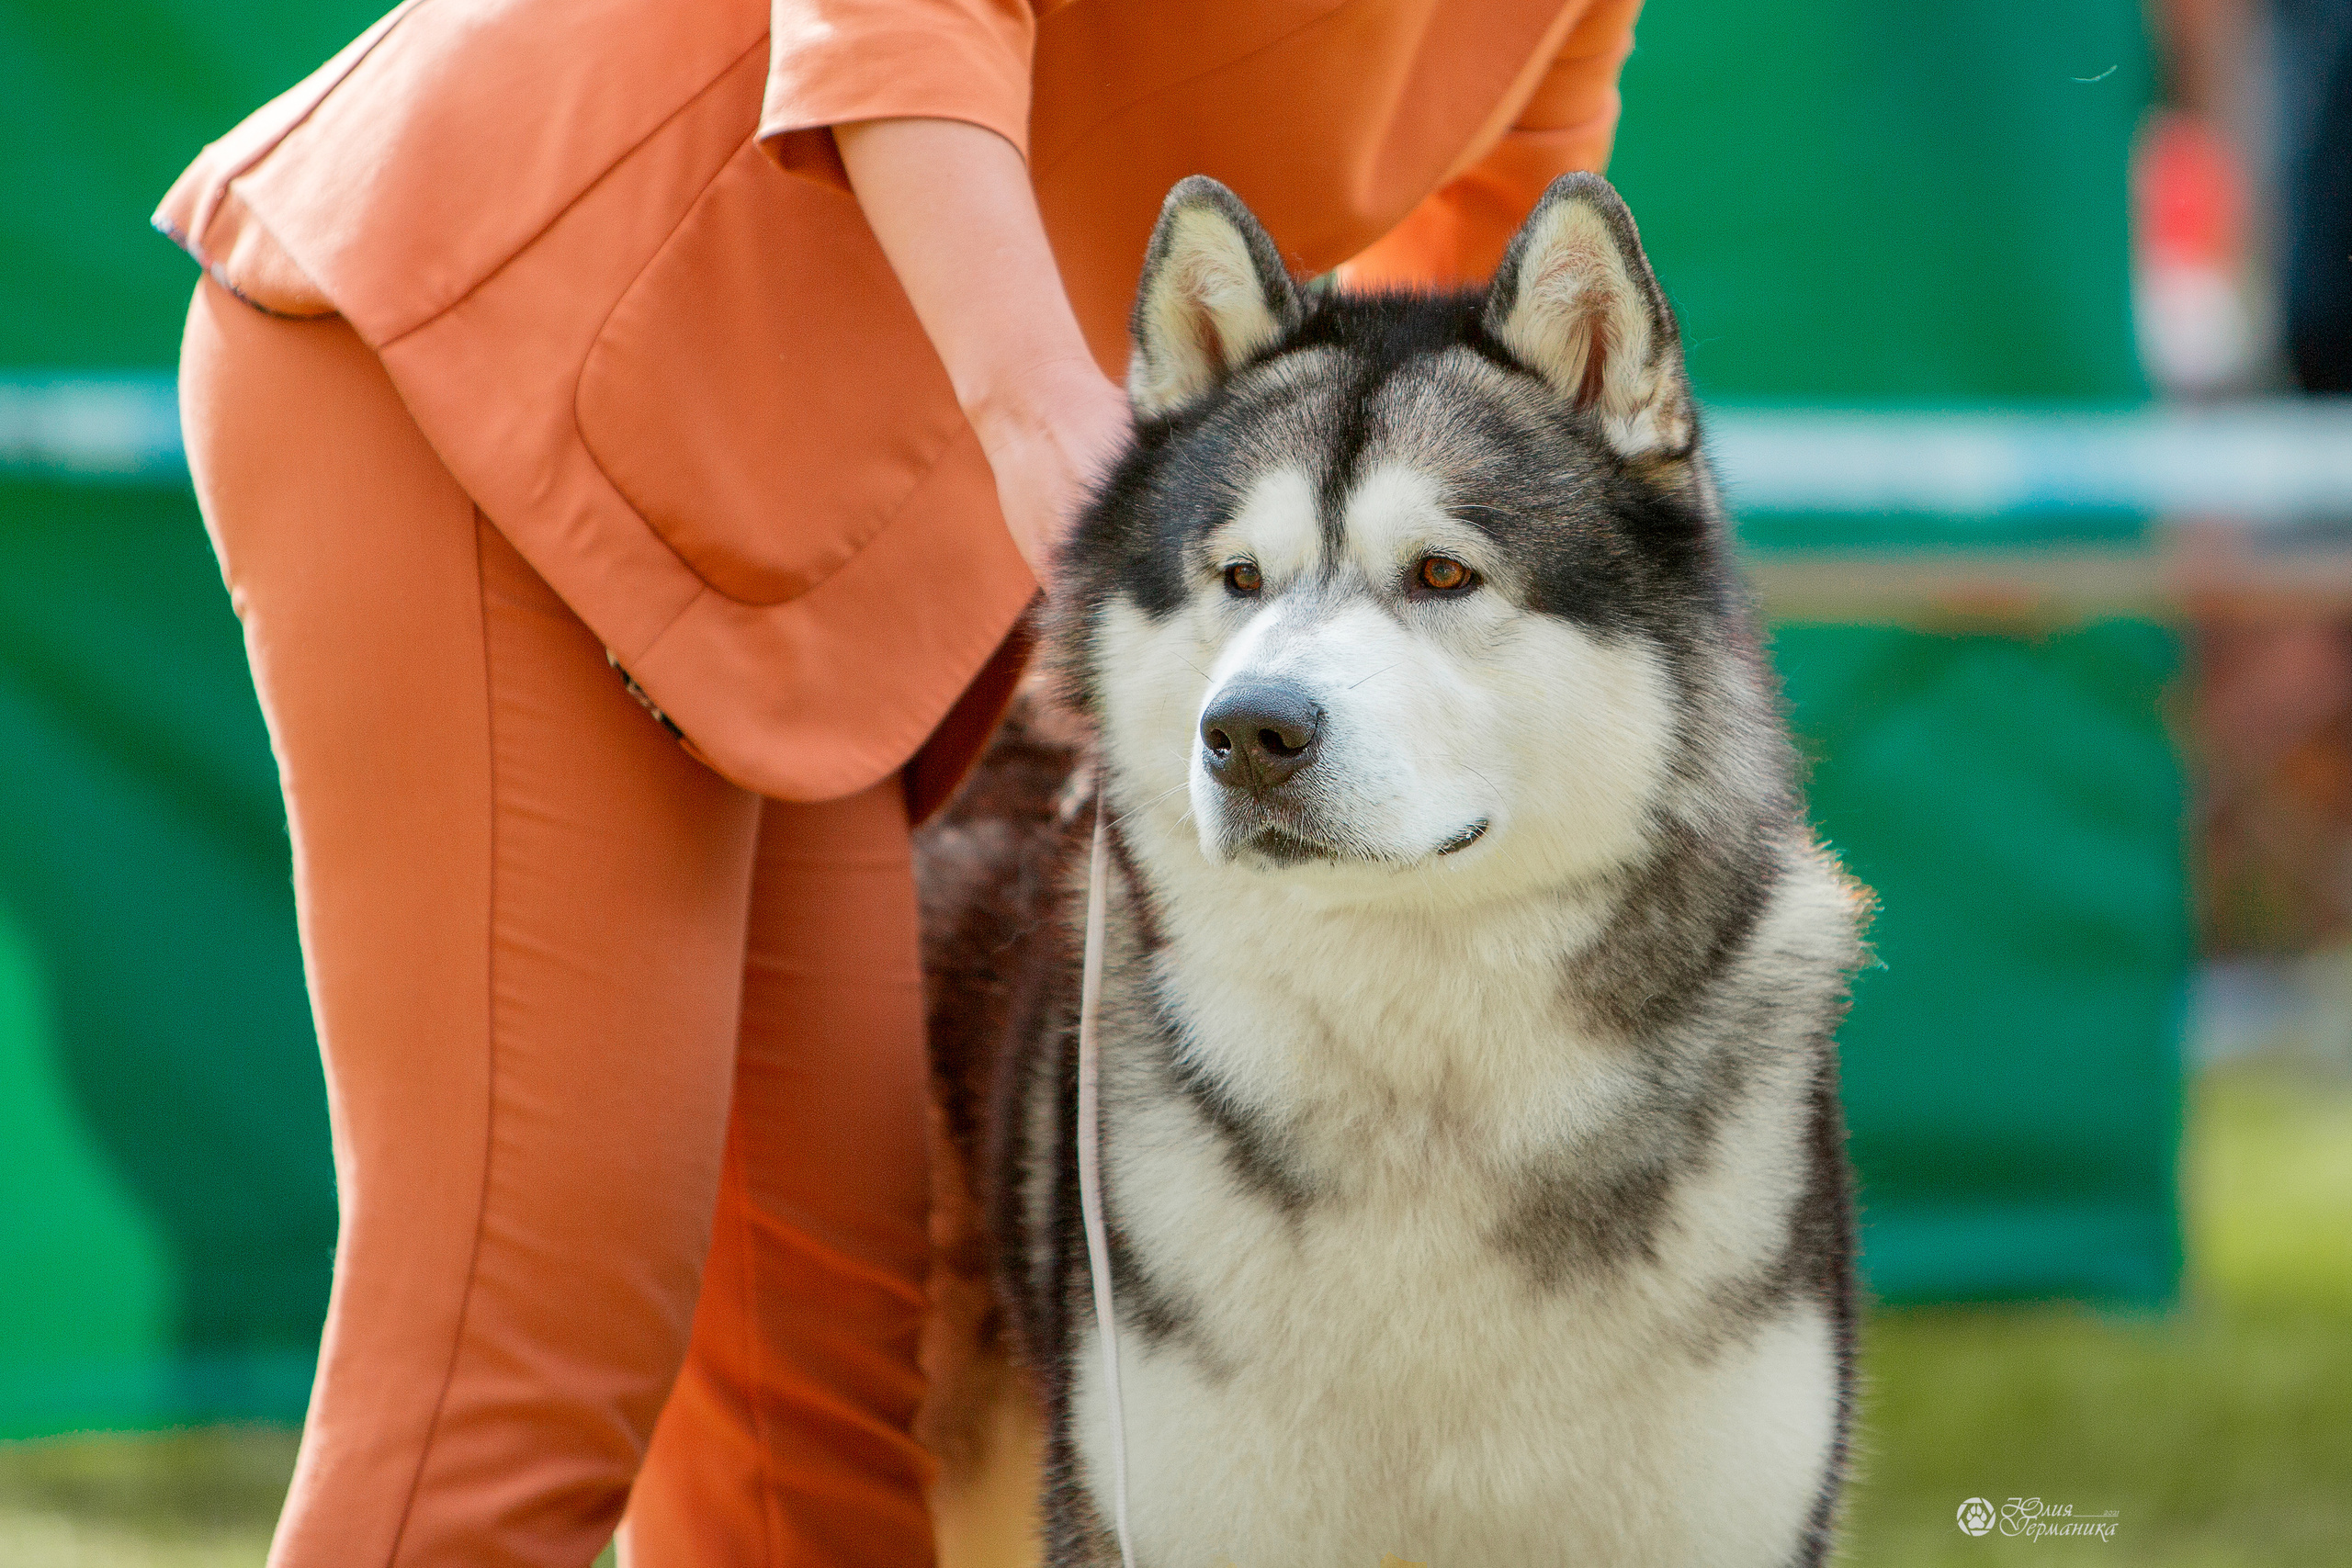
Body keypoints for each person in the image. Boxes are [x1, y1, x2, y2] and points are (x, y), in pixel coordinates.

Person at [157, 0, 1643, 1562]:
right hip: (490, 342)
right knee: (526, 1363)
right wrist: (1063, 444)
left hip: (783, 537)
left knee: (812, 1417)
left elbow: (1470, 343)